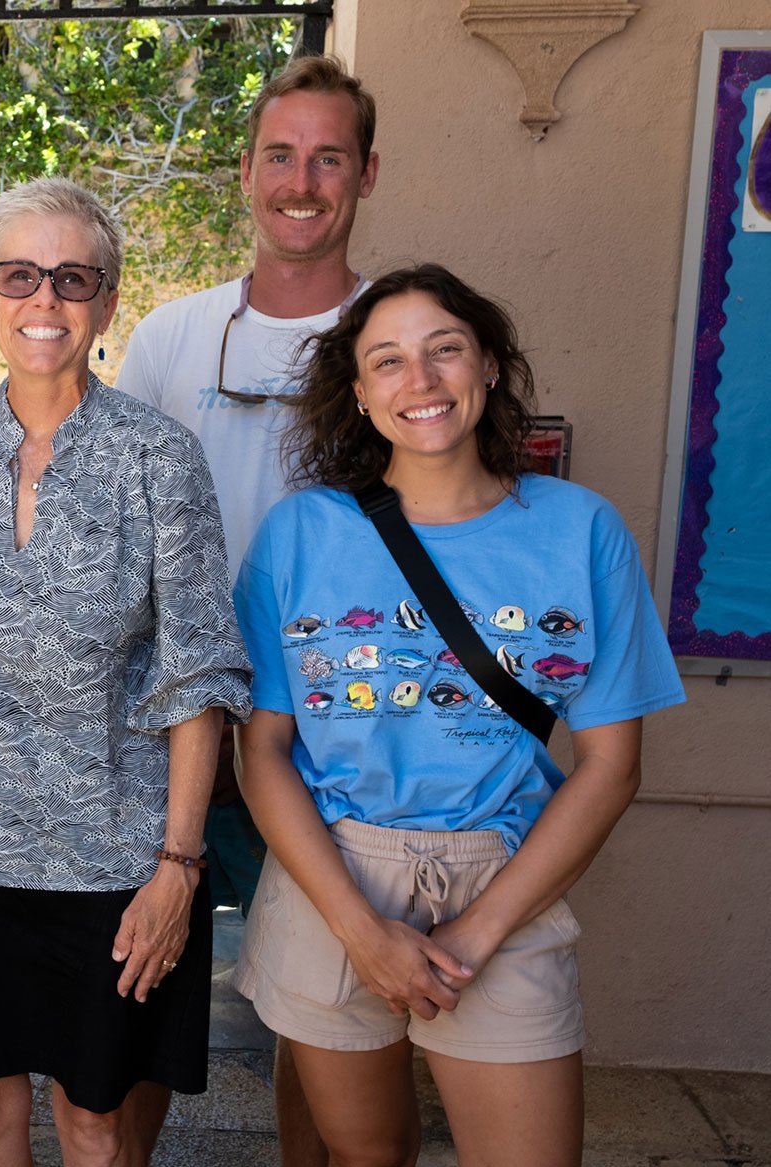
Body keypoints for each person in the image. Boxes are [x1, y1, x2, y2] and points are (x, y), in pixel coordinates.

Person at [0, 177, 252, 1166]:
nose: (44, 301)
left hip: (115, 865)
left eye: (73, 278)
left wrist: (178, 867)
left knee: (96, 1123)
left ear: (108, 303)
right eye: (19, 275)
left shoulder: (160, 459)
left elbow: (199, 679)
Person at [232, 264, 686, 1166]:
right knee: (365, 1155)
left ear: (488, 368)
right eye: (388, 361)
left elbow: (611, 765)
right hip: (334, 877)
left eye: (446, 350)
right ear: (359, 395)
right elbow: (264, 752)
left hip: (504, 876)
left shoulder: (580, 530)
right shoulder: (301, 533)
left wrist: (479, 931)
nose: (422, 380)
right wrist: (362, 931)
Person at [117, 54, 380, 1164]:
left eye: (329, 157)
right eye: (281, 154)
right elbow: (110, 527)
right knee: (134, 997)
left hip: (337, 733)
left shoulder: (399, 338)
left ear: (367, 175)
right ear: (244, 172)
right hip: (168, 726)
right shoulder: (171, 339)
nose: (301, 180)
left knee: (325, 1015)